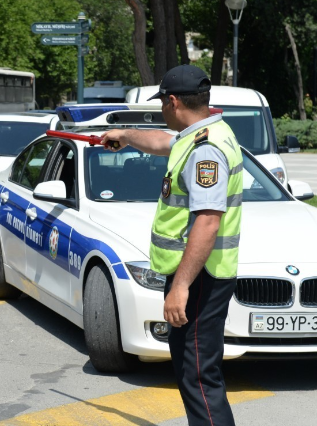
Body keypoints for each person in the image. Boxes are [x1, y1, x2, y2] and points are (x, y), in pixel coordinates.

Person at [101, 64, 242, 426]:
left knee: (198, 377)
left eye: (163, 103)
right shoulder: (206, 131)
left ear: (174, 101)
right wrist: (127, 134)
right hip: (199, 275)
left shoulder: (205, 152)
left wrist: (179, 287)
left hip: (198, 279)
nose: (162, 109)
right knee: (193, 372)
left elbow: (207, 222)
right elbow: (165, 142)